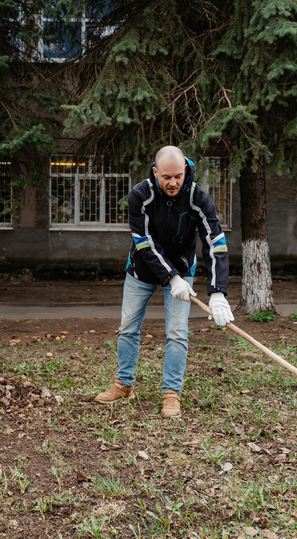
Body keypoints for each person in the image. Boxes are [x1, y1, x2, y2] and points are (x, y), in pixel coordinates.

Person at [95, 145, 234, 418]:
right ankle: (124, 384)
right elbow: (144, 242)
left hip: (183, 269)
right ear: (156, 172)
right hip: (142, 269)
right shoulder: (140, 195)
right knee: (128, 327)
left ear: (186, 171)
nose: (173, 183)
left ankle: (171, 393)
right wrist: (170, 278)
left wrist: (217, 292)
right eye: (166, 177)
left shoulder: (199, 199)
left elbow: (215, 243)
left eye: (178, 176)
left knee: (177, 333)